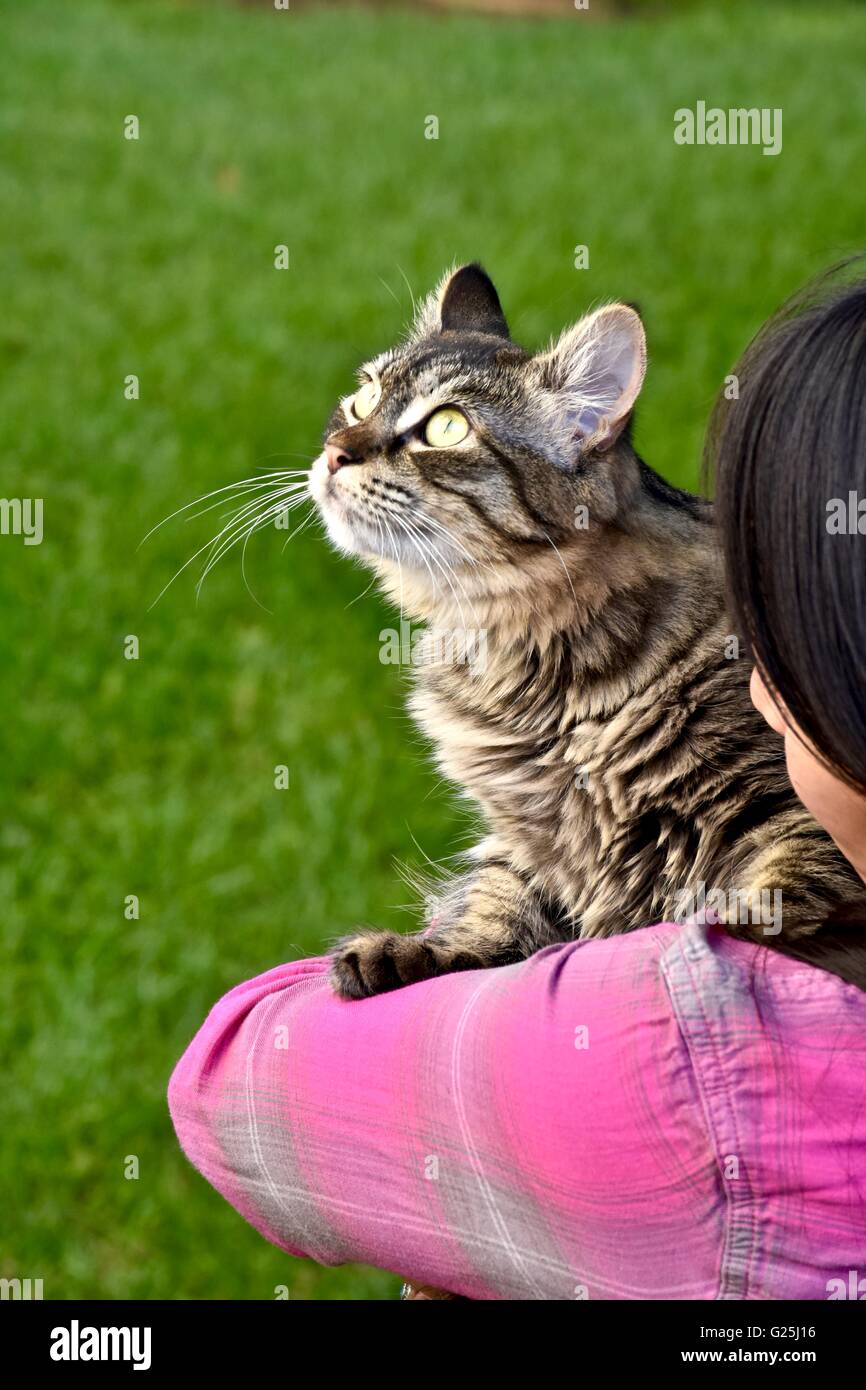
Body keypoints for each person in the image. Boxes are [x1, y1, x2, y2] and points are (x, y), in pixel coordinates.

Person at [168, 267, 866, 1300]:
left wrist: (689, 976)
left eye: (438, 434)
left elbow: (228, 1088)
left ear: (582, 441)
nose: (347, 451)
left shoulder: (715, 634)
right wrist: (478, 939)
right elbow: (542, 855)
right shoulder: (484, 656)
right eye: (360, 408)